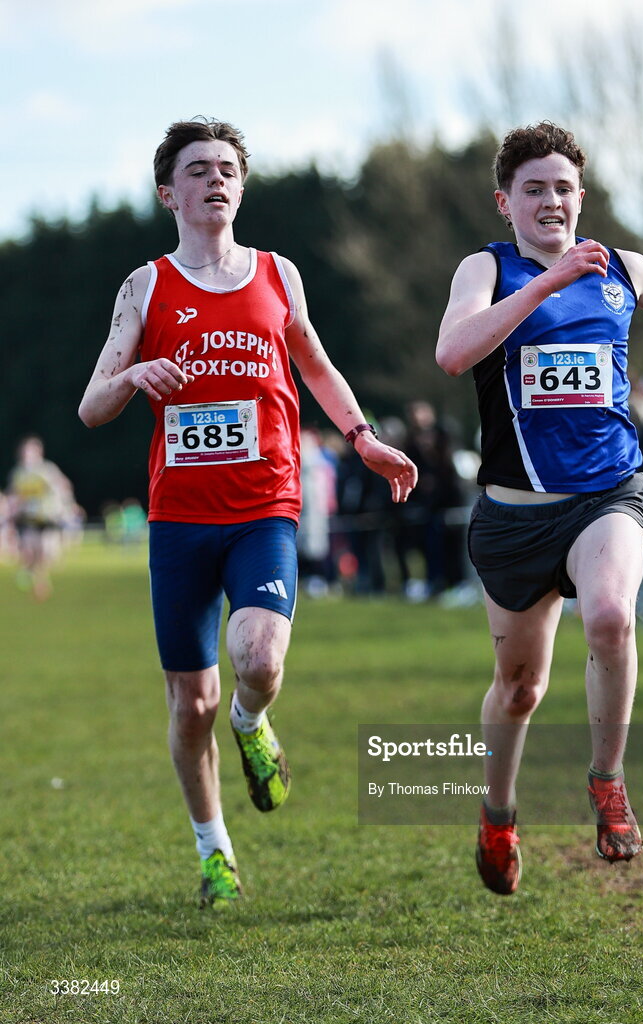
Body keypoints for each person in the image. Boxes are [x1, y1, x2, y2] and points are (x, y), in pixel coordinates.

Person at [78, 118, 417, 909]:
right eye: (198, 170)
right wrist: (136, 377)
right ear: (170, 192)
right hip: (180, 520)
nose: (215, 180)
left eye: (228, 168)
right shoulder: (146, 286)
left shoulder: (278, 274)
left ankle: (252, 718)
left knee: (260, 658)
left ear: (242, 184)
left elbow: (320, 368)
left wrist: (362, 438)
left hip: (266, 506)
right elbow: (92, 406)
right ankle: (213, 848)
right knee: (186, 703)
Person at [436, 121, 643, 895]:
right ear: (505, 200)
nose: (551, 202)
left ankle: (606, 779)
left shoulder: (623, 266)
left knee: (610, 617)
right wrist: (545, 282)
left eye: (563, 188)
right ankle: (498, 812)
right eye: (534, 189)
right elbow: (452, 354)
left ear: (582, 196)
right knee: (519, 687)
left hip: (607, 492)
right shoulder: (486, 268)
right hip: (514, 513)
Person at [7, 435, 74, 600]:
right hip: (28, 519)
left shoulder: (47, 470)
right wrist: (11, 514)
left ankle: (39, 579)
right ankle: (35, 578)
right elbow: (14, 495)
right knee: (30, 551)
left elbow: (63, 486)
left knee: (45, 553)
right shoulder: (19, 473)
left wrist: (65, 505)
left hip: (47, 517)